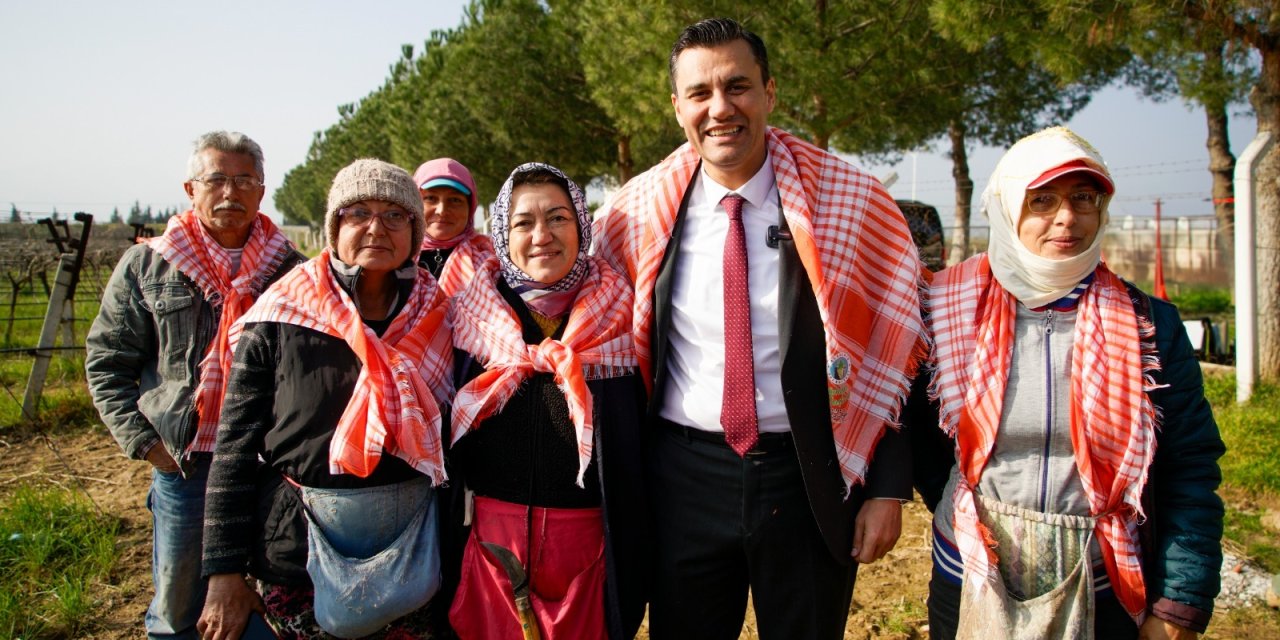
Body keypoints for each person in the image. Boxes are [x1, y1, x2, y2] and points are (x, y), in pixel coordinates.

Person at [592, 18, 926, 639]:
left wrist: (886, 488)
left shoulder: (850, 202)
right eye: (700, 94)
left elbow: (900, 344)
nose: (721, 108)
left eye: (738, 86)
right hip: (681, 480)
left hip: (807, 476)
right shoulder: (632, 214)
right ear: (677, 108)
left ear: (770, 92)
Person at [915, 126, 1224, 639]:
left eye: (1084, 197)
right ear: (1010, 209)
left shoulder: (1149, 325)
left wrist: (1178, 604)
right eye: (1043, 200)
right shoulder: (944, 311)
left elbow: (1188, 467)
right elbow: (923, 442)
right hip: (968, 572)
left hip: (1104, 586)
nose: (1067, 218)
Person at [197, 159, 454, 639]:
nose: (376, 227)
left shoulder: (441, 318)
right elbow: (233, 449)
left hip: (412, 554)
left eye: (395, 215)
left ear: (416, 233)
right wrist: (223, 571)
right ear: (334, 228)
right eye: (357, 213)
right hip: (298, 558)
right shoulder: (279, 315)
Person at [85, 131, 301, 640]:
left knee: (273, 587)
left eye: (244, 180)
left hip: (267, 461)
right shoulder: (149, 263)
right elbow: (106, 361)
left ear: (261, 190)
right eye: (217, 179)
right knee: (179, 601)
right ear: (190, 188)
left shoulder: (289, 268)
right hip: (187, 463)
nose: (230, 192)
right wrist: (146, 444)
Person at [446, 163, 647, 639]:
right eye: (523, 223)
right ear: (501, 232)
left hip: (589, 552)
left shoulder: (625, 318)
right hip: (492, 549)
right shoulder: (468, 320)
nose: (542, 236)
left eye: (558, 218)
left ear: (582, 226)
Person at [412, 157, 494, 296]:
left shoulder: (491, 261)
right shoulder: (395, 257)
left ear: (470, 207)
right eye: (431, 198)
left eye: (455, 200)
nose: (442, 210)